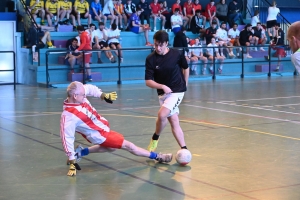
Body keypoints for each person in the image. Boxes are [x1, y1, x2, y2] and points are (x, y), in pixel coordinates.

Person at [61, 81, 173, 176]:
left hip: (102, 126)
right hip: (100, 135)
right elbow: (67, 138)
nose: (85, 96)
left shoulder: (78, 94)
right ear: (75, 96)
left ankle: (80, 152)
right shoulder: (69, 117)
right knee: (129, 146)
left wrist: (103, 95)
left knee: (112, 148)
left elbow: (89, 88)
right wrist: (71, 160)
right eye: (83, 95)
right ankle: (158, 156)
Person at [145, 30, 189, 152]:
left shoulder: (177, 54)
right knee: (174, 121)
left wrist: (185, 84)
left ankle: (155, 137)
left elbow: (186, 68)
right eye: (155, 44)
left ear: (166, 43)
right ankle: (184, 148)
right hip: (163, 94)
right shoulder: (151, 59)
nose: (158, 48)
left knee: (162, 114)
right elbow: (148, 81)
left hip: (177, 90)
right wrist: (162, 86)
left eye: (160, 45)